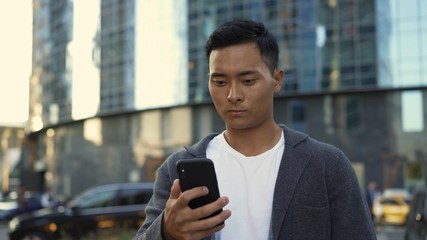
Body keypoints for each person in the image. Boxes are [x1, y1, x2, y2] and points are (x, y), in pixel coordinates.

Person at [135, 19, 376, 240]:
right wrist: (165, 231)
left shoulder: (327, 165)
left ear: (277, 80)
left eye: (248, 81)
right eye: (219, 82)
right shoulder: (177, 169)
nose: (233, 95)